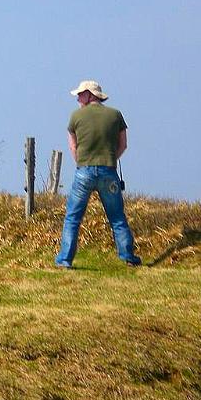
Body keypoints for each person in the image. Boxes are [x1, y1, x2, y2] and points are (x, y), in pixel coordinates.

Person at [55, 80, 141, 268]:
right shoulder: (115, 115)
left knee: (73, 217)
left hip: (84, 171)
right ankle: (128, 257)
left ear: (89, 95)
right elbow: (123, 144)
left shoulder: (76, 116)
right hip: (108, 171)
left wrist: (82, 162)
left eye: (80, 94)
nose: (78, 98)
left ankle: (65, 260)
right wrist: (110, 159)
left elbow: (72, 145)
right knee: (117, 217)